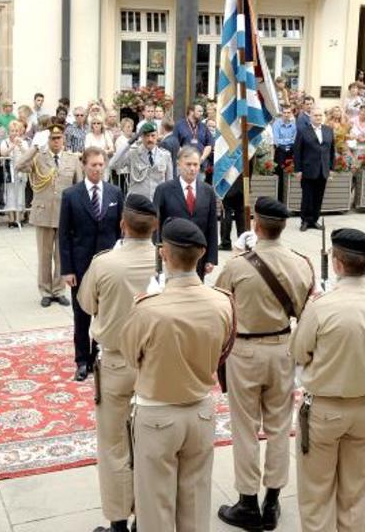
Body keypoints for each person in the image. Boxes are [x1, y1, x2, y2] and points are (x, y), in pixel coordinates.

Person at [120, 217, 234, 532]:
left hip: (158, 412)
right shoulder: (223, 303)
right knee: (195, 503)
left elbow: (132, 357)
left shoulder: (148, 308)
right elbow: (225, 348)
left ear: (164, 254)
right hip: (200, 410)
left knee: (155, 507)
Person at [216, 197, 314, 531]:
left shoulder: (238, 265)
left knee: (245, 429)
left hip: (245, 352)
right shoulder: (301, 264)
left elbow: (219, 308)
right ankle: (272, 500)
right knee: (278, 428)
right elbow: (307, 315)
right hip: (282, 348)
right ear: (283, 226)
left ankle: (247, 502)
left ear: (256, 225)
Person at [290, 228, 365, 532]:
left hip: (324, 410)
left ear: (336, 263)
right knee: (353, 497)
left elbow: (299, 351)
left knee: (316, 496)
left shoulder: (322, 305)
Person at [78, 194, 158, 532]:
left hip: (114, 363)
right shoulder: (166, 260)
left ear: (122, 225)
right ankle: (146, 517)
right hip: (154, 363)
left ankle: (118, 522)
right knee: (149, 443)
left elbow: (86, 304)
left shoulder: (104, 263)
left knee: (113, 444)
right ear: (154, 228)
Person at [59, 146, 123, 381]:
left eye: (101, 165)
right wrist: (66, 269)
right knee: (81, 315)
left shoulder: (115, 193)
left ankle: (98, 353)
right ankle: (81, 360)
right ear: (84, 165)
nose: (97, 169)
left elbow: (121, 231)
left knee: (105, 313)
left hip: (108, 266)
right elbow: (64, 235)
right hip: (81, 265)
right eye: (93, 165)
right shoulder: (71, 195)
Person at [16, 124, 82, 307]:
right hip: (44, 213)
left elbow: (79, 187)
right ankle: (45, 290)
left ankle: (59, 290)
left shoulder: (72, 159)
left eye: (59, 138)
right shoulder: (38, 158)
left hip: (65, 214)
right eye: (52, 138)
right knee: (44, 256)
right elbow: (19, 165)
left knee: (62, 256)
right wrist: (35, 147)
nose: (56, 141)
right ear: (48, 140)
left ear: (64, 140)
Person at [153, 145, 218, 280]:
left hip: (198, 256)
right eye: (188, 164)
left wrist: (211, 258)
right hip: (172, 256)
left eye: (196, 164)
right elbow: (156, 223)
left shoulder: (208, 191)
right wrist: (159, 249)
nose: (192, 168)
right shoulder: (164, 190)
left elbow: (212, 226)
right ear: (178, 164)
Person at [293, 106, 335, 231]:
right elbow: (297, 151)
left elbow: (332, 150)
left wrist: (331, 168)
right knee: (307, 196)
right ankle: (305, 220)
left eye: (320, 115)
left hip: (323, 170)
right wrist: (298, 170)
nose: (318, 118)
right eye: (315, 115)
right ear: (310, 117)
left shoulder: (328, 130)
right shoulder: (303, 131)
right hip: (308, 169)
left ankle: (314, 220)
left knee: (319, 196)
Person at [109, 122, 172, 200]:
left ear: (157, 136)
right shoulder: (133, 153)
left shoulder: (165, 155)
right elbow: (112, 164)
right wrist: (129, 143)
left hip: (157, 201)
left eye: (153, 135)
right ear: (141, 137)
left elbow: (169, 182)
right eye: (147, 136)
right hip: (137, 203)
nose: (150, 139)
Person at [0, 120, 29, 228]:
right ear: (9, 131)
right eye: (12, 131)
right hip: (9, 172)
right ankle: (11, 219)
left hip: (21, 172)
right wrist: (13, 146)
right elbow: (3, 153)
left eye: (16, 130)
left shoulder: (24, 142)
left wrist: (20, 145)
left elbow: (27, 153)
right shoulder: (5, 142)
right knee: (10, 195)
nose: (14, 133)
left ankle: (18, 218)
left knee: (20, 195)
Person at [173, 103, 214, 171]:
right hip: (185, 165)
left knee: (199, 181)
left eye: (202, 111)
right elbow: (175, 144)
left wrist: (202, 158)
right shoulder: (179, 125)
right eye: (199, 111)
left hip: (200, 166)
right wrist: (185, 157)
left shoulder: (204, 126)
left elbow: (209, 144)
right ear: (191, 111)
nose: (201, 113)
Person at [272, 104, 296, 201]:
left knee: (290, 172)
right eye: (284, 112)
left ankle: (288, 198)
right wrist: (287, 140)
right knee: (280, 174)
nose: (286, 114)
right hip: (280, 151)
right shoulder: (276, 124)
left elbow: (294, 139)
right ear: (281, 113)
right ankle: (279, 198)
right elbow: (277, 140)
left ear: (291, 113)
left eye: (288, 112)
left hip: (291, 150)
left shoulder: (294, 125)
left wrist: (286, 140)